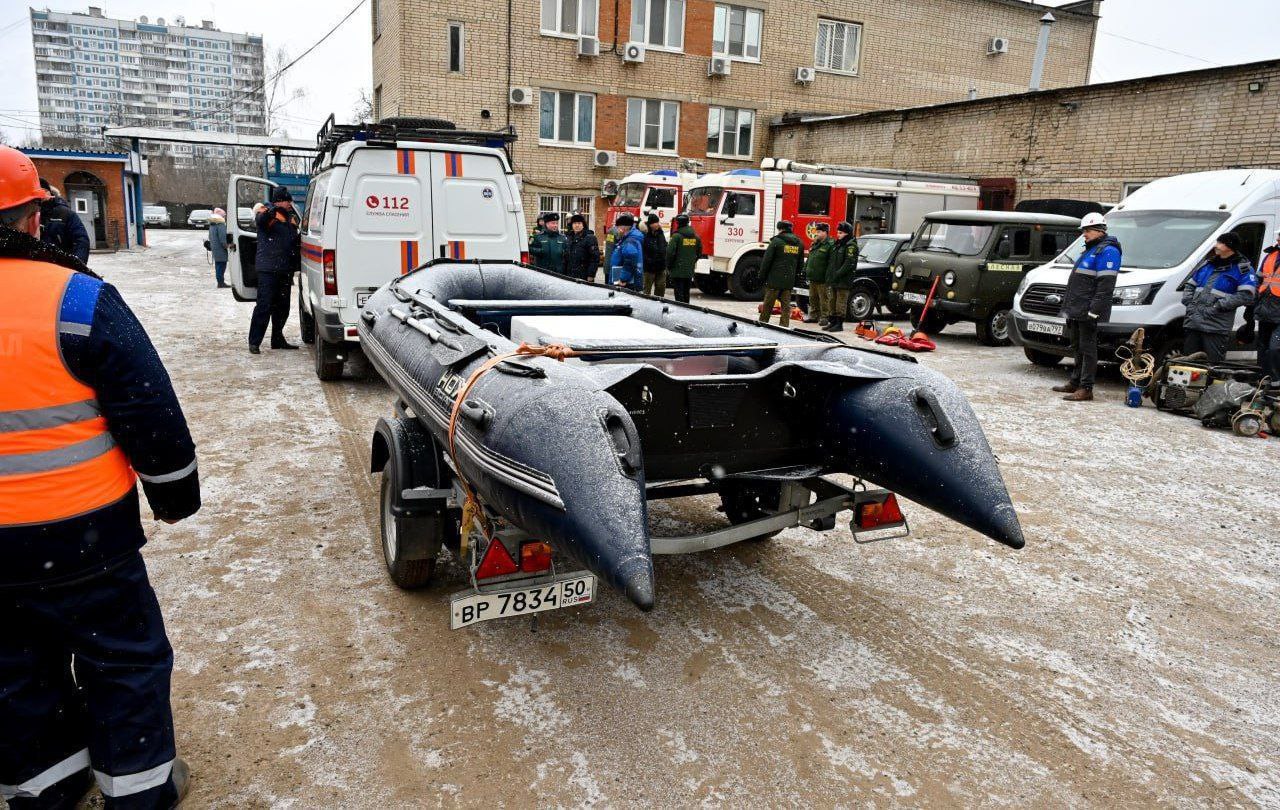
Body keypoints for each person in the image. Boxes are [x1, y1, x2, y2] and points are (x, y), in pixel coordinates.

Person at [0, 145, 197, 808]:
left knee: (15, 673)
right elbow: (149, 409)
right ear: (33, 217)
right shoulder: (79, 300)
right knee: (125, 665)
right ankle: (138, 792)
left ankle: (46, 788)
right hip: (88, 540)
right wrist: (173, 496)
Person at [1055, 212, 1122, 402]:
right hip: (1077, 308)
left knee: (1088, 348)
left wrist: (1095, 310)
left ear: (1099, 230)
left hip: (1088, 310)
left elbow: (1105, 286)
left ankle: (1086, 388)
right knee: (1077, 346)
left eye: (1087, 230)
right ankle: (1075, 382)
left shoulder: (1108, 251)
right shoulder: (1092, 249)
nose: (1084, 234)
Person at [1181, 232, 1256, 363]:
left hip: (1215, 326)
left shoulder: (1243, 268)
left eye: (1220, 243)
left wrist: (1218, 306)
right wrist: (1189, 302)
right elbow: (1190, 285)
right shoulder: (1208, 264)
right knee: (1189, 364)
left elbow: (1246, 295)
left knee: (1212, 366)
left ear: (1229, 246)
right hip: (1194, 323)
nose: (1216, 245)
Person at [248, 186, 301, 354]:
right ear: (280, 200)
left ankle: (277, 338)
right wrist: (271, 210)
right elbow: (260, 220)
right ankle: (254, 342)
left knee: (282, 308)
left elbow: (294, 239)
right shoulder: (267, 213)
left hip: (285, 269)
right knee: (264, 306)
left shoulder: (290, 218)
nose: (290, 203)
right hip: (269, 270)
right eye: (288, 200)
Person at [758, 221, 805, 328]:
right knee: (785, 306)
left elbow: (766, 261)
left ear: (780, 229)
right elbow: (800, 264)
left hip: (774, 281)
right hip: (788, 281)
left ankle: (762, 324)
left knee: (768, 305)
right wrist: (796, 279)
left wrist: (761, 276)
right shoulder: (799, 243)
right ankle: (784, 327)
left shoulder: (776, 242)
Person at [37, 177, 91, 264]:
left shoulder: (65, 213)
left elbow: (81, 240)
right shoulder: (27, 212)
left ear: (49, 192)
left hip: (60, 266)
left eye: (42, 191)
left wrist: (77, 265)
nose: (40, 196)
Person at [1255, 228, 1280, 388]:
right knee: (1263, 348)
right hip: (1265, 310)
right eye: (1279, 236)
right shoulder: (1270, 256)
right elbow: (1259, 279)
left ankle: (1276, 379)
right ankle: (1265, 379)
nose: (1278, 240)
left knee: (1274, 348)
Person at [824, 222, 859, 332]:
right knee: (832, 301)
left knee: (840, 302)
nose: (838, 235)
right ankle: (833, 322)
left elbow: (849, 263)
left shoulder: (851, 246)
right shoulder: (838, 244)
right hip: (835, 279)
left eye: (841, 233)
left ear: (847, 233)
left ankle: (839, 324)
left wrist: (838, 273)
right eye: (838, 232)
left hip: (843, 280)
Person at [665, 214, 701, 304]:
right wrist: (691, 261)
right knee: (686, 293)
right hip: (689, 270)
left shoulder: (676, 237)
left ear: (678, 223)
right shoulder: (696, 237)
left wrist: (668, 265)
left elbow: (670, 253)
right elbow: (699, 252)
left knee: (679, 295)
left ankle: (680, 313)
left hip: (677, 270)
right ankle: (687, 311)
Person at [803, 223, 834, 325]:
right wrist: (805, 269)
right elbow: (810, 258)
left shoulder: (830, 244)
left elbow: (831, 263)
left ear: (825, 232)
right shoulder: (815, 243)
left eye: (819, 232)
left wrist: (828, 276)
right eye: (817, 231)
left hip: (822, 278)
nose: (817, 234)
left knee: (824, 299)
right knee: (813, 298)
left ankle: (824, 317)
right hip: (813, 276)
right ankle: (814, 316)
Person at [608, 214, 644, 290]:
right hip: (627, 281)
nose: (617, 230)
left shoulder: (629, 241)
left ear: (623, 228)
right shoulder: (628, 239)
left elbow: (630, 261)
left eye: (617, 227)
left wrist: (623, 278)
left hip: (625, 283)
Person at [563, 213, 600, 282]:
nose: (577, 225)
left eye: (579, 223)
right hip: (570, 275)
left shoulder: (590, 238)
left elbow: (595, 258)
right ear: (572, 225)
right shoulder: (569, 237)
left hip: (584, 275)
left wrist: (591, 275)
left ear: (583, 225)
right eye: (574, 223)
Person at [641, 214, 668, 297]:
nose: (657, 224)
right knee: (646, 290)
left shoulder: (660, 233)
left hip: (661, 266)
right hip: (649, 267)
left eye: (657, 222)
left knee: (661, 288)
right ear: (650, 224)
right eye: (654, 222)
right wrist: (648, 260)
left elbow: (664, 246)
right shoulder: (645, 234)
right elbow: (642, 250)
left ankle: (659, 306)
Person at [208, 207, 230, 288]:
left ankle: (220, 282)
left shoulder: (212, 224)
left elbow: (210, 236)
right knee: (221, 265)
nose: (224, 217)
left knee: (218, 265)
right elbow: (223, 238)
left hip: (215, 247)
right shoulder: (220, 224)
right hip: (221, 249)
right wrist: (227, 246)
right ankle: (221, 283)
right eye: (224, 216)